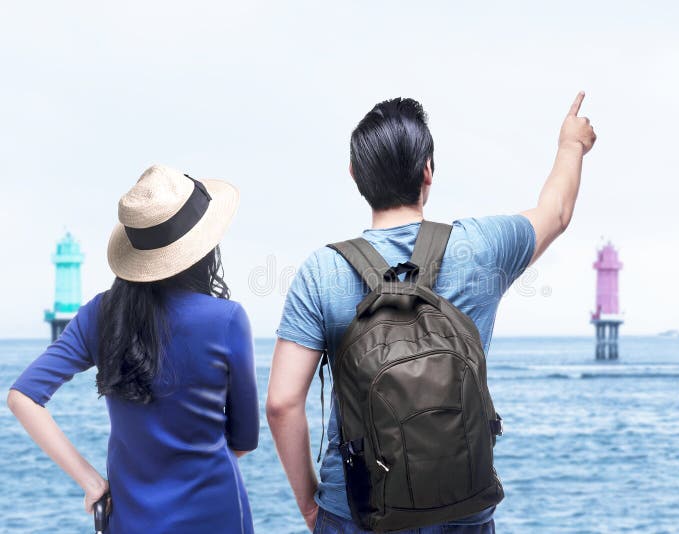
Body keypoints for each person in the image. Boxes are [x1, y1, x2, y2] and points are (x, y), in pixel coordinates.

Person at [267, 93, 596, 532]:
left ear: (355, 175)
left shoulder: (322, 271)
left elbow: (282, 403)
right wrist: (570, 145)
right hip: (463, 506)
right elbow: (556, 212)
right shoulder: (482, 246)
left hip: (357, 513)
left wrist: (313, 505)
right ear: (428, 170)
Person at [7, 165, 259, 533]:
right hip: (217, 515)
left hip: (132, 520)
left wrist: (91, 481)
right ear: (202, 245)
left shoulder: (100, 314)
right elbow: (244, 440)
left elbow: (22, 397)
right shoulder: (228, 319)